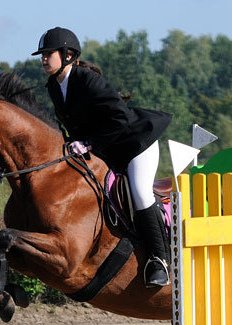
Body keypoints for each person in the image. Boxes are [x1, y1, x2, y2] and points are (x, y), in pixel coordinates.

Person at [32, 27, 173, 287]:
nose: (42, 59)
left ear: (67, 55)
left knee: (140, 191)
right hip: (106, 150)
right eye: (41, 55)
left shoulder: (87, 80)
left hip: (135, 144)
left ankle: (160, 260)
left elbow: (119, 118)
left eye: (47, 54)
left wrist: (87, 143)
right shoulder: (54, 86)